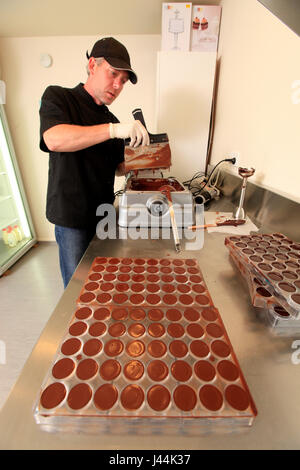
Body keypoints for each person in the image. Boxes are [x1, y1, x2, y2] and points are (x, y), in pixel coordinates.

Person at [39, 37, 149, 288]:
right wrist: (112, 130)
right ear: (92, 65)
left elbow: (119, 168)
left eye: (123, 81)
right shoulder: (59, 97)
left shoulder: (110, 118)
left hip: (104, 215)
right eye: (113, 74)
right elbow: (54, 139)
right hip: (72, 220)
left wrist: (142, 156)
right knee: (78, 290)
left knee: (103, 283)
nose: (118, 85)